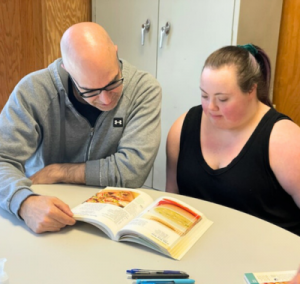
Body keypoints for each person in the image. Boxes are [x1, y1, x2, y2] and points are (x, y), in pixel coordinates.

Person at [0, 22, 161, 233]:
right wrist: (24, 202)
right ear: (67, 70)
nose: (105, 100)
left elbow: (133, 170)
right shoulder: (33, 91)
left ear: (115, 52)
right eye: (90, 91)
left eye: (113, 82)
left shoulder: (144, 89)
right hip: (45, 206)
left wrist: (59, 171)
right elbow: (3, 158)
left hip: (112, 215)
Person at [166, 44, 300, 236]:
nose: (211, 107)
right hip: (199, 250)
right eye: (204, 95)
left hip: (269, 257)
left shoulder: (283, 140)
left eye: (222, 99)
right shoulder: (183, 127)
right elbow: (172, 197)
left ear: (251, 90)